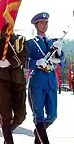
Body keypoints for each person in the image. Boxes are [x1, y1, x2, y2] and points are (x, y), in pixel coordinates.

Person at [27, 12, 66, 144]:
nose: (44, 25)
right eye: (42, 23)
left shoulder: (53, 43)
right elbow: (24, 62)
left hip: (51, 83)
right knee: (38, 116)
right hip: (37, 83)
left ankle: (38, 133)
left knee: (52, 115)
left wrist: (60, 52)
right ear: (36, 25)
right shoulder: (31, 43)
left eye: (46, 23)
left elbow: (63, 63)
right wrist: (36, 63)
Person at [0, 23, 27, 144]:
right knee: (5, 116)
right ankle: (8, 140)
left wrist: (10, 62)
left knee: (20, 116)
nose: (7, 30)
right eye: (5, 28)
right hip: (2, 80)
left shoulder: (20, 40)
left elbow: (23, 57)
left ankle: (7, 135)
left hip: (18, 81)